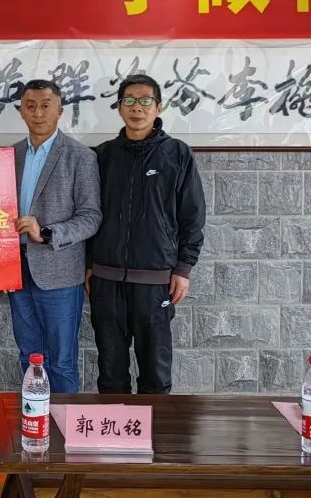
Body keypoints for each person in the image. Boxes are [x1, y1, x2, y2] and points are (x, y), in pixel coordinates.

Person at [87, 74, 206, 394]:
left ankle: (158, 428)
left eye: (144, 101)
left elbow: (192, 216)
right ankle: (113, 427)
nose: (136, 108)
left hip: (156, 283)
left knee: (155, 373)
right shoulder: (103, 155)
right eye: (129, 100)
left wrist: (183, 268)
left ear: (158, 107)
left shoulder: (176, 154)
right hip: (106, 282)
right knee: (110, 373)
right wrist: (89, 264)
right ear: (119, 107)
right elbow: (89, 213)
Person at [11, 79, 102, 393]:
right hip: (17, 272)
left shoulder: (80, 156)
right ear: (21, 111)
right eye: (31, 106)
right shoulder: (10, 155)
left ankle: (63, 423)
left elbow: (91, 217)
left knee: (61, 361)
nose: (38, 113)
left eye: (45, 106)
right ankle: (35, 417)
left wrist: (48, 233)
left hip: (60, 272)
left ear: (60, 111)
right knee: (28, 355)